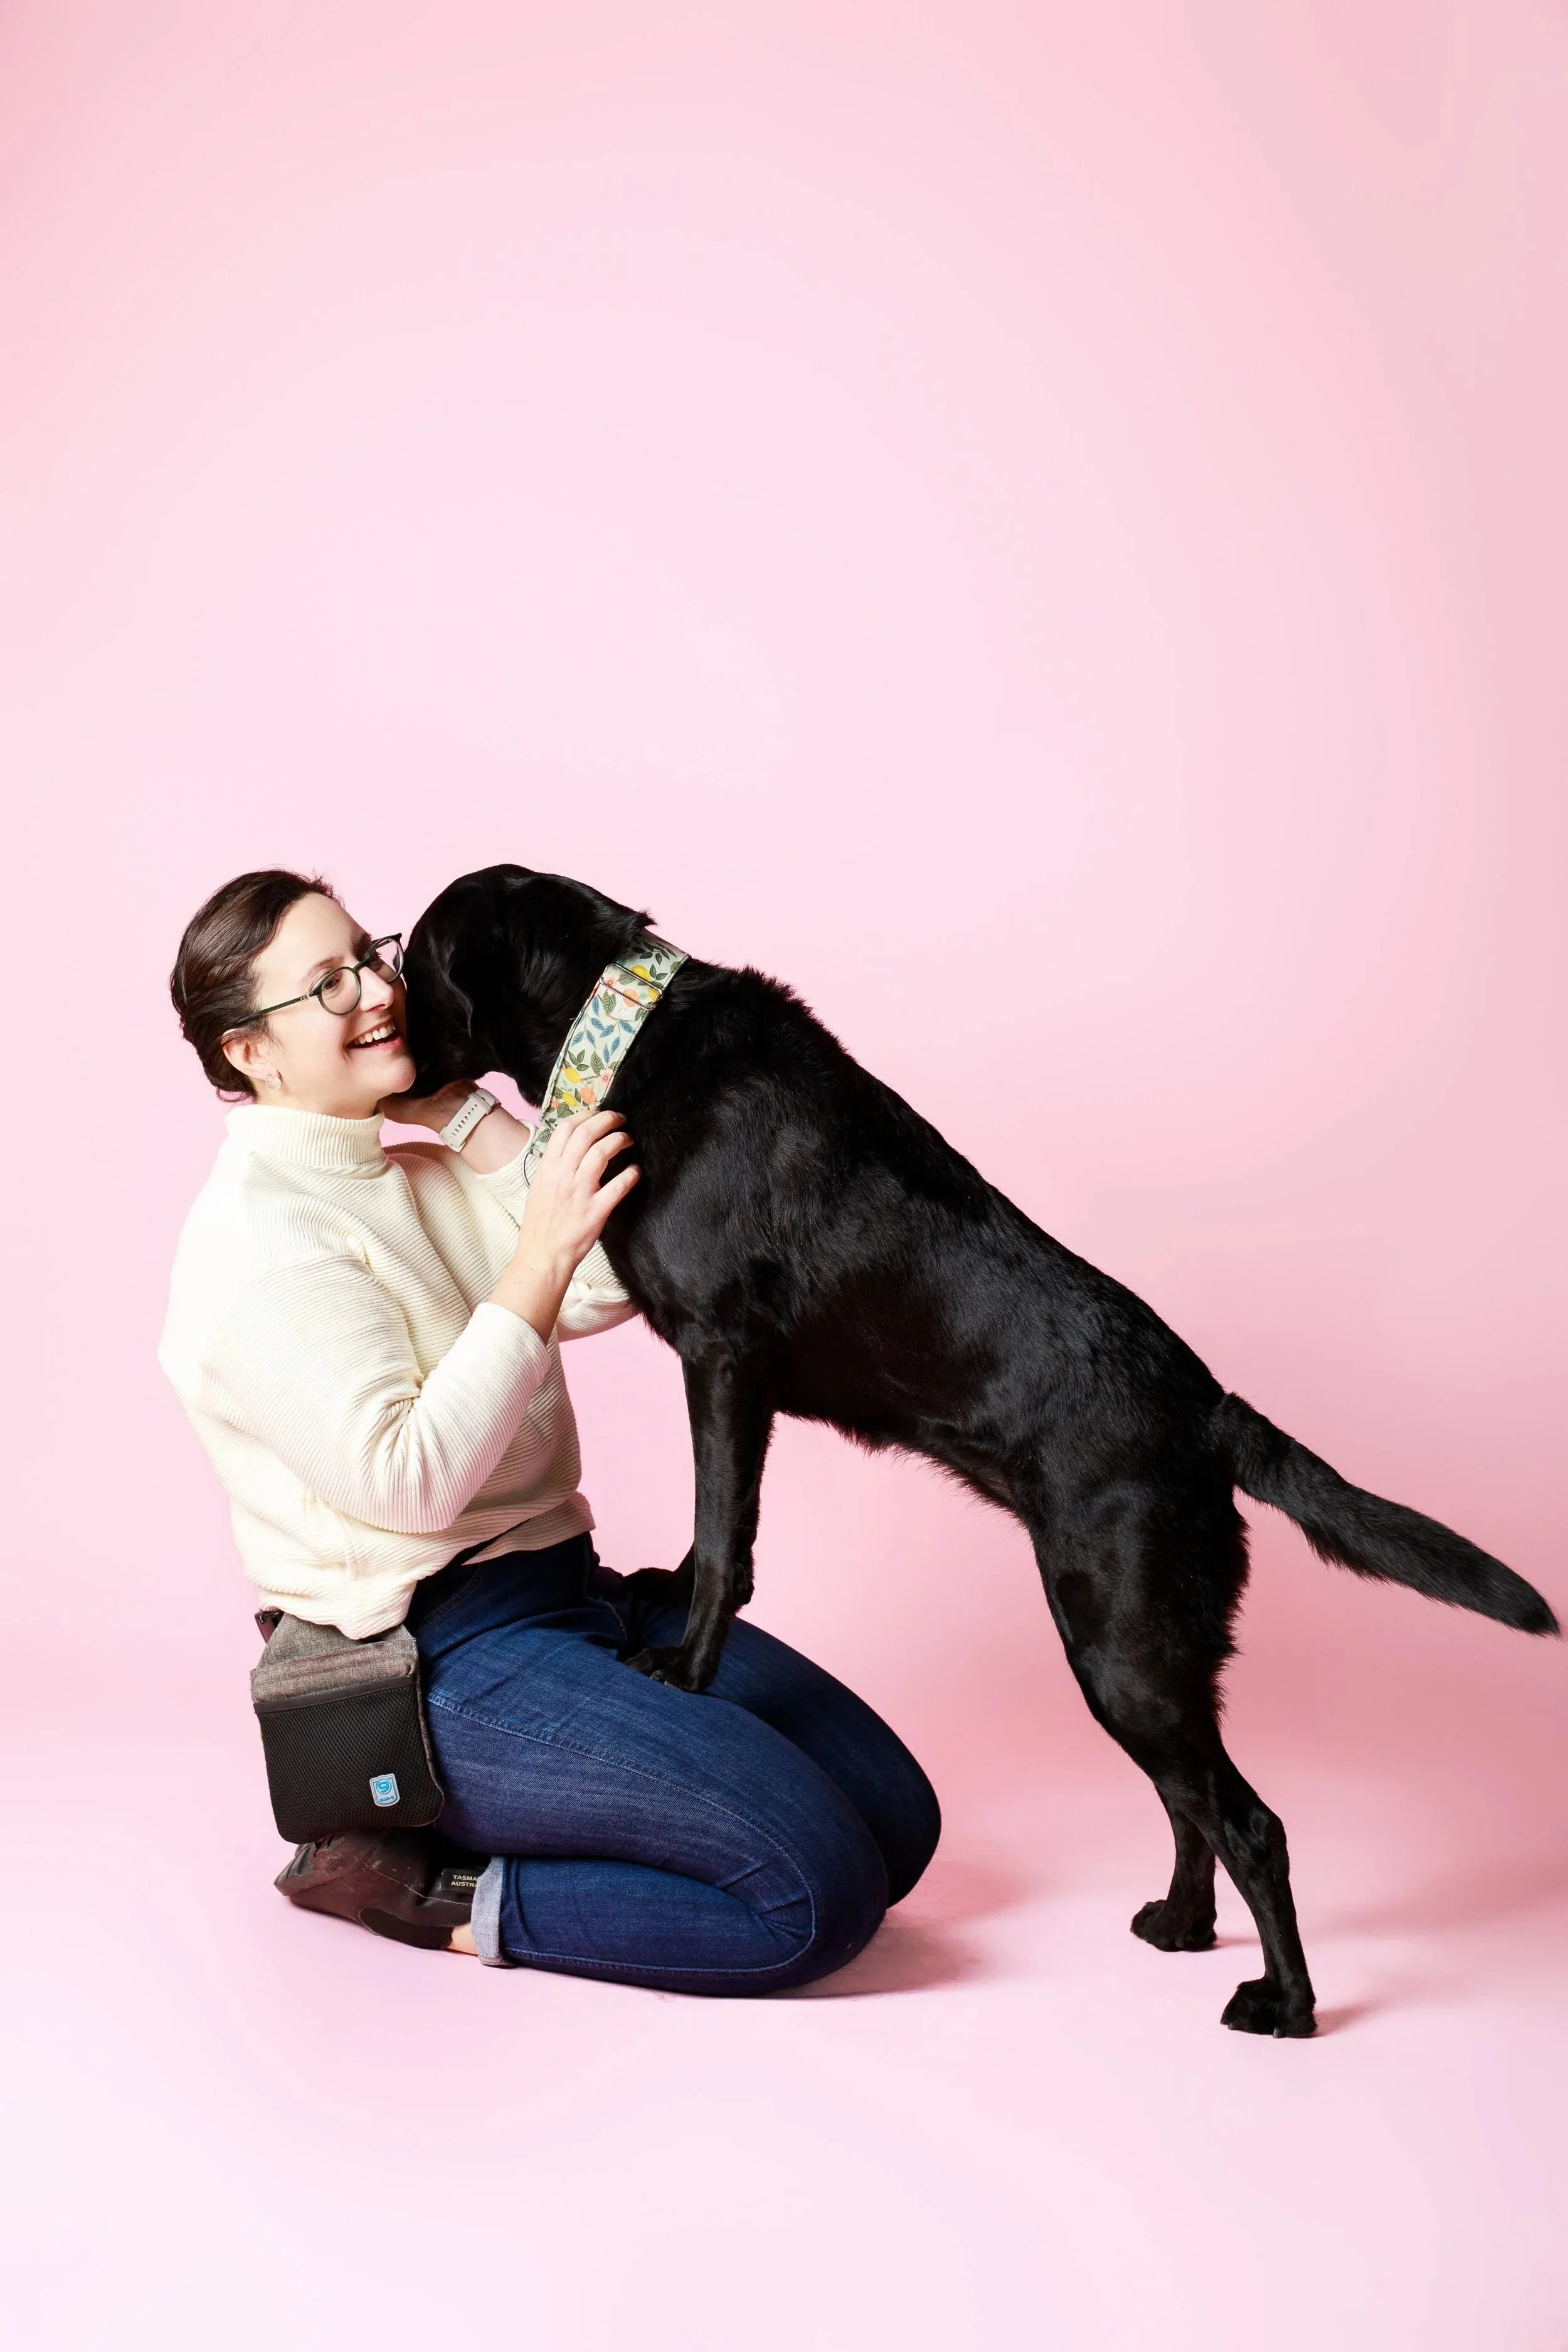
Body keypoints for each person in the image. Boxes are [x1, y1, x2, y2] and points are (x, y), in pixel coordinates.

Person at [161, 868, 940, 1989]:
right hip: (436, 1661)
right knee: (816, 1892)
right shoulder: (259, 1243)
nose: (380, 990)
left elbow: (605, 1279)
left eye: (370, 956)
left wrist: (466, 1113)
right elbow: (408, 1480)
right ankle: (433, 1888)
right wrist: (529, 1260)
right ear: (250, 1052)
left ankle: (582, 1790)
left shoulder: (406, 1171)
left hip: (568, 1593)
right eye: (328, 986)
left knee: (896, 1821)